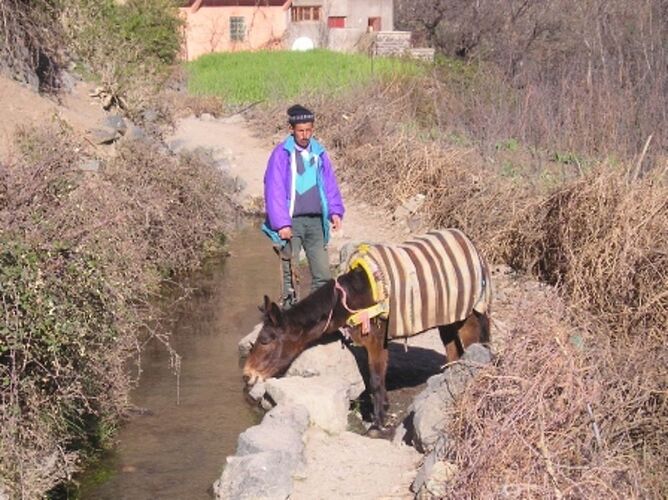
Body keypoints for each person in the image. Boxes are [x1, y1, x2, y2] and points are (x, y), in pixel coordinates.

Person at [262, 104, 345, 308]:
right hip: (291, 223)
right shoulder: (281, 154)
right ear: (292, 130)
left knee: (323, 276)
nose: (305, 135)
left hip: (316, 222)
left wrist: (335, 212)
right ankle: (289, 321)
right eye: (301, 130)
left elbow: (329, 184)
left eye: (309, 130)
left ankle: (316, 319)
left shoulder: (319, 153)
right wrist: (282, 223)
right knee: (290, 275)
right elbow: (274, 190)